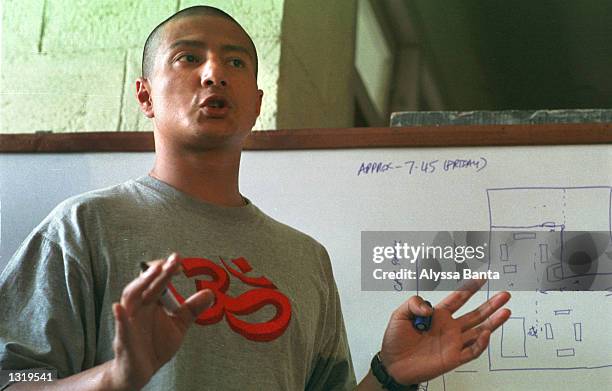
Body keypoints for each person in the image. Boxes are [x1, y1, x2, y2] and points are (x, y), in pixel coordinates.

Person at [0, 6, 511, 390]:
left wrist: (391, 374)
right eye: (188, 57)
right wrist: (116, 377)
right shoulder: (84, 226)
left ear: (257, 102)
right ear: (145, 96)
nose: (214, 73)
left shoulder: (305, 259)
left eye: (236, 62)